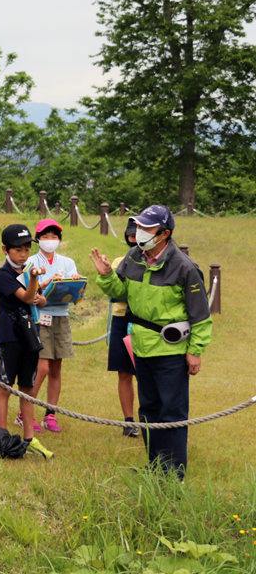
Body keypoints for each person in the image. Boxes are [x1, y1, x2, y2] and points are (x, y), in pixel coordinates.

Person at [90, 205, 211, 480]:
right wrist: (107, 274)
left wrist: (195, 351)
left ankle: (173, 474)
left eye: (147, 228)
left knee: (173, 413)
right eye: (139, 226)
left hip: (171, 351)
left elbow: (200, 316)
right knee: (148, 410)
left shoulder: (184, 267)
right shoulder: (134, 256)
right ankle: (155, 467)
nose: (140, 232)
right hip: (141, 346)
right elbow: (121, 292)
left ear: (165, 234)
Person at [0, 224, 54, 460]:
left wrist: (41, 295)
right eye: (17, 249)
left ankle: (30, 438)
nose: (23, 253)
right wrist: (33, 284)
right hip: (10, 337)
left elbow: (40, 301)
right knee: (5, 386)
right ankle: (2, 437)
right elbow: (27, 297)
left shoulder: (31, 269)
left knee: (28, 388)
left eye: (27, 248)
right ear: (5, 249)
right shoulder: (4, 274)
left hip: (31, 334)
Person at [26, 219, 83, 433]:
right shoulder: (31, 261)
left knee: (56, 370)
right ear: (37, 238)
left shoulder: (67, 262)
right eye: (45, 236)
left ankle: (50, 414)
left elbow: (75, 293)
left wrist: (75, 281)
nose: (50, 240)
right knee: (41, 369)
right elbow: (27, 290)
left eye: (54, 236)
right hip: (40, 317)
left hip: (62, 316)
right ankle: (25, 412)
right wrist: (47, 282)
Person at [107, 219, 140, 437]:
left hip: (145, 321)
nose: (136, 239)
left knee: (145, 372)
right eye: (132, 234)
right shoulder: (120, 261)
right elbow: (114, 292)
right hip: (121, 320)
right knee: (124, 372)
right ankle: (129, 420)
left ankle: (151, 419)